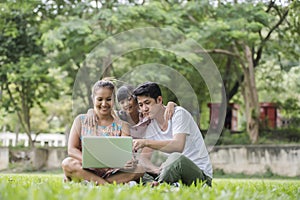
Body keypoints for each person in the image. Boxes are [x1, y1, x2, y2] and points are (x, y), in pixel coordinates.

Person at [61, 79, 144, 185]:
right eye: (100, 99)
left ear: (114, 100)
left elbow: (127, 153)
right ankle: (107, 185)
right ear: (93, 99)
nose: (104, 104)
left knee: (140, 168)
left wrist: (130, 161)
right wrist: (92, 162)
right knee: (67, 163)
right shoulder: (80, 121)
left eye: (108, 99)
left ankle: (92, 183)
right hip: (87, 169)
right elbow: (72, 149)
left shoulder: (123, 125)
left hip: (113, 171)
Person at [132, 82, 213, 187]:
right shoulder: (151, 126)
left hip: (200, 176)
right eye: (141, 105)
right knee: (138, 168)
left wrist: (146, 142)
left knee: (176, 158)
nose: (144, 109)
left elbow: (178, 146)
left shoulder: (178, 114)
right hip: (174, 174)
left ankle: (158, 185)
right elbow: (143, 158)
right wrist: (155, 170)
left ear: (159, 100)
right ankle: (160, 184)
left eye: (147, 103)